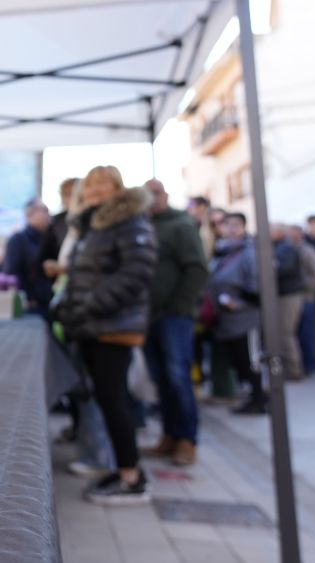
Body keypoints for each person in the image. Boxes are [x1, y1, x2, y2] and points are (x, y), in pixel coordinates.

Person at [52, 166, 157, 505]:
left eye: (102, 186)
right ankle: (123, 467)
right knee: (107, 400)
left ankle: (132, 477)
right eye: (90, 187)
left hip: (113, 326)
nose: (95, 192)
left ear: (117, 188)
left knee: (115, 401)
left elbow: (136, 272)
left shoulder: (128, 222)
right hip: (94, 326)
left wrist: (91, 305)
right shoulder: (93, 225)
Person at [140, 180, 208, 467]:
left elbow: (197, 268)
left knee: (178, 376)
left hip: (174, 316)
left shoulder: (181, 225)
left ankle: (187, 439)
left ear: (165, 195)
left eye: (156, 194)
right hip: (149, 315)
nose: (152, 200)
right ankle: (169, 434)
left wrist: (181, 305)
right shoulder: (143, 226)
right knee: (161, 378)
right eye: (146, 195)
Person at [208, 213, 264, 414]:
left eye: (236, 225)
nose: (231, 229)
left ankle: (258, 397)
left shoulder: (248, 252)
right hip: (225, 319)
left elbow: (257, 284)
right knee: (238, 361)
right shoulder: (222, 251)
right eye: (227, 225)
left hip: (244, 316)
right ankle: (249, 395)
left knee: (250, 359)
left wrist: (239, 302)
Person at [3, 199, 54, 318]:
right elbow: (11, 274)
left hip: (48, 304)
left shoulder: (49, 239)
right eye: (44, 211)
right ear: (30, 214)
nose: (48, 215)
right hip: (30, 308)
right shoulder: (17, 240)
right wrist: (28, 298)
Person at [270, 224, 306, 380]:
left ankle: (294, 369)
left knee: (286, 332)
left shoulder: (287, 248)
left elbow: (285, 269)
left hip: (289, 295)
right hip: (284, 294)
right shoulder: (279, 247)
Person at [290, 224, 315, 374]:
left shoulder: (307, 251)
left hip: (306, 297)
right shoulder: (290, 250)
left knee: (307, 333)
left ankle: (309, 364)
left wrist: (302, 285)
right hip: (295, 297)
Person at [39, 177, 80, 279]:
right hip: (60, 280)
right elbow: (45, 255)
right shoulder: (56, 221)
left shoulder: (93, 219)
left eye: (73, 194)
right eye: (66, 194)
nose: (70, 199)